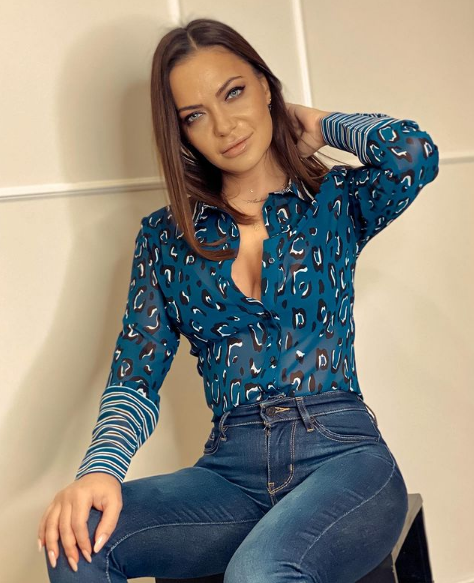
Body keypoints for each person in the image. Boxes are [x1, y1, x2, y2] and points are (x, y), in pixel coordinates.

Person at [37, 17, 440, 582]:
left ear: (265, 87)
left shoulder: (334, 201)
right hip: (230, 473)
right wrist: (99, 470)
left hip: (344, 458)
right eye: (195, 116)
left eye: (234, 92)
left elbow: (413, 153)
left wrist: (318, 123)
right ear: (181, 134)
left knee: (260, 570)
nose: (224, 126)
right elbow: (135, 376)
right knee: (78, 542)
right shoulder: (165, 240)